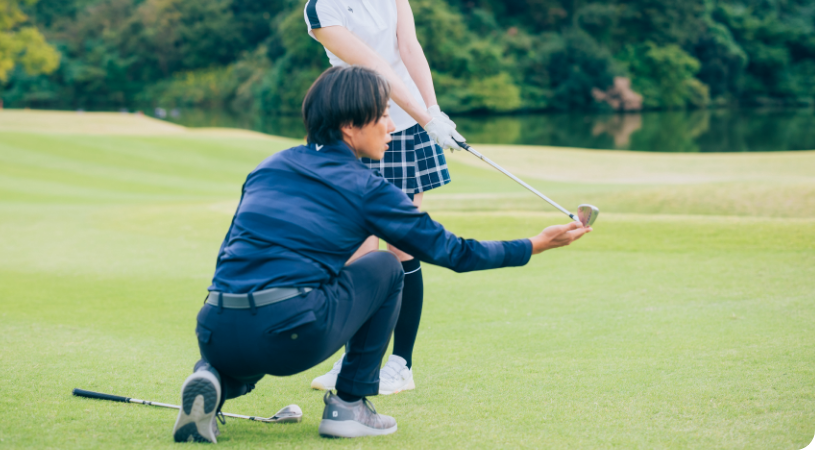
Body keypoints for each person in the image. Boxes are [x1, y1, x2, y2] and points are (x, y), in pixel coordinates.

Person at [172, 66, 591, 442]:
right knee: (390, 265)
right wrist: (534, 245)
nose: (392, 126)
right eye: (384, 114)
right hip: (290, 333)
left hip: (214, 330)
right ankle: (349, 406)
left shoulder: (268, 167)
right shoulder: (368, 188)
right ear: (351, 126)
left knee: (277, 303)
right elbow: (452, 252)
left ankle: (216, 381)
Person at [301, 0, 464, 395]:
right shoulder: (320, 10)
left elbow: (409, 50)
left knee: (401, 245)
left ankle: (401, 365)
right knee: (358, 250)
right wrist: (425, 115)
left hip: (407, 124)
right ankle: (355, 361)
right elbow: (374, 66)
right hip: (354, 128)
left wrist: (434, 112)